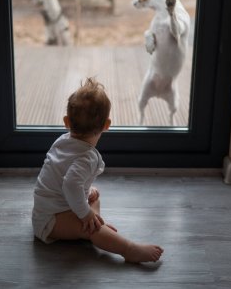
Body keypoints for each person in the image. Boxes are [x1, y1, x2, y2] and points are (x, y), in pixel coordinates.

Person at [32, 77, 164, 263]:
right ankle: (128, 249)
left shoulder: (62, 141)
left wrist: (85, 195)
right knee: (91, 228)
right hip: (51, 221)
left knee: (94, 196)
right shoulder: (86, 157)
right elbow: (70, 184)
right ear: (106, 125)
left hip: (44, 210)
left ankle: (94, 225)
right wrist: (85, 214)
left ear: (66, 121)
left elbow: (63, 175)